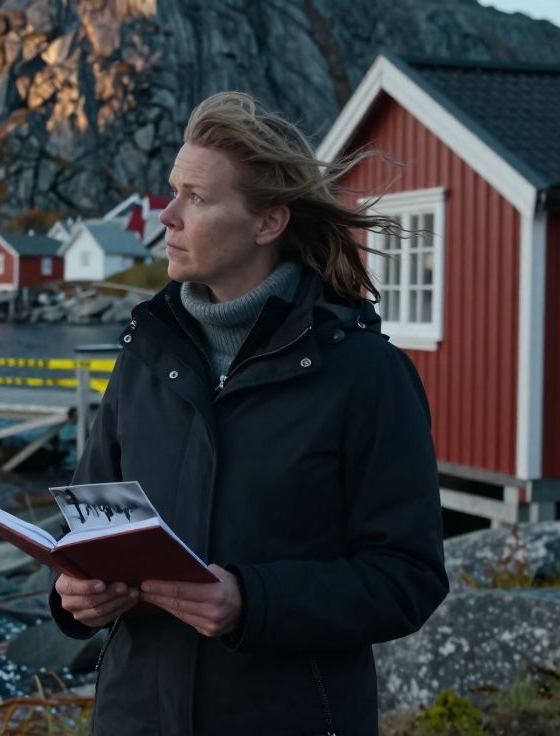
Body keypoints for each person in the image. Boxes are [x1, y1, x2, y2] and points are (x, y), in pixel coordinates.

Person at [50, 91, 449, 735]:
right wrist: (75, 596)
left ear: (268, 223)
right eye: (173, 192)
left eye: (196, 198)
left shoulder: (367, 376)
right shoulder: (144, 358)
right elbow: (89, 530)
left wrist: (250, 602)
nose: (167, 216)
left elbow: (408, 579)